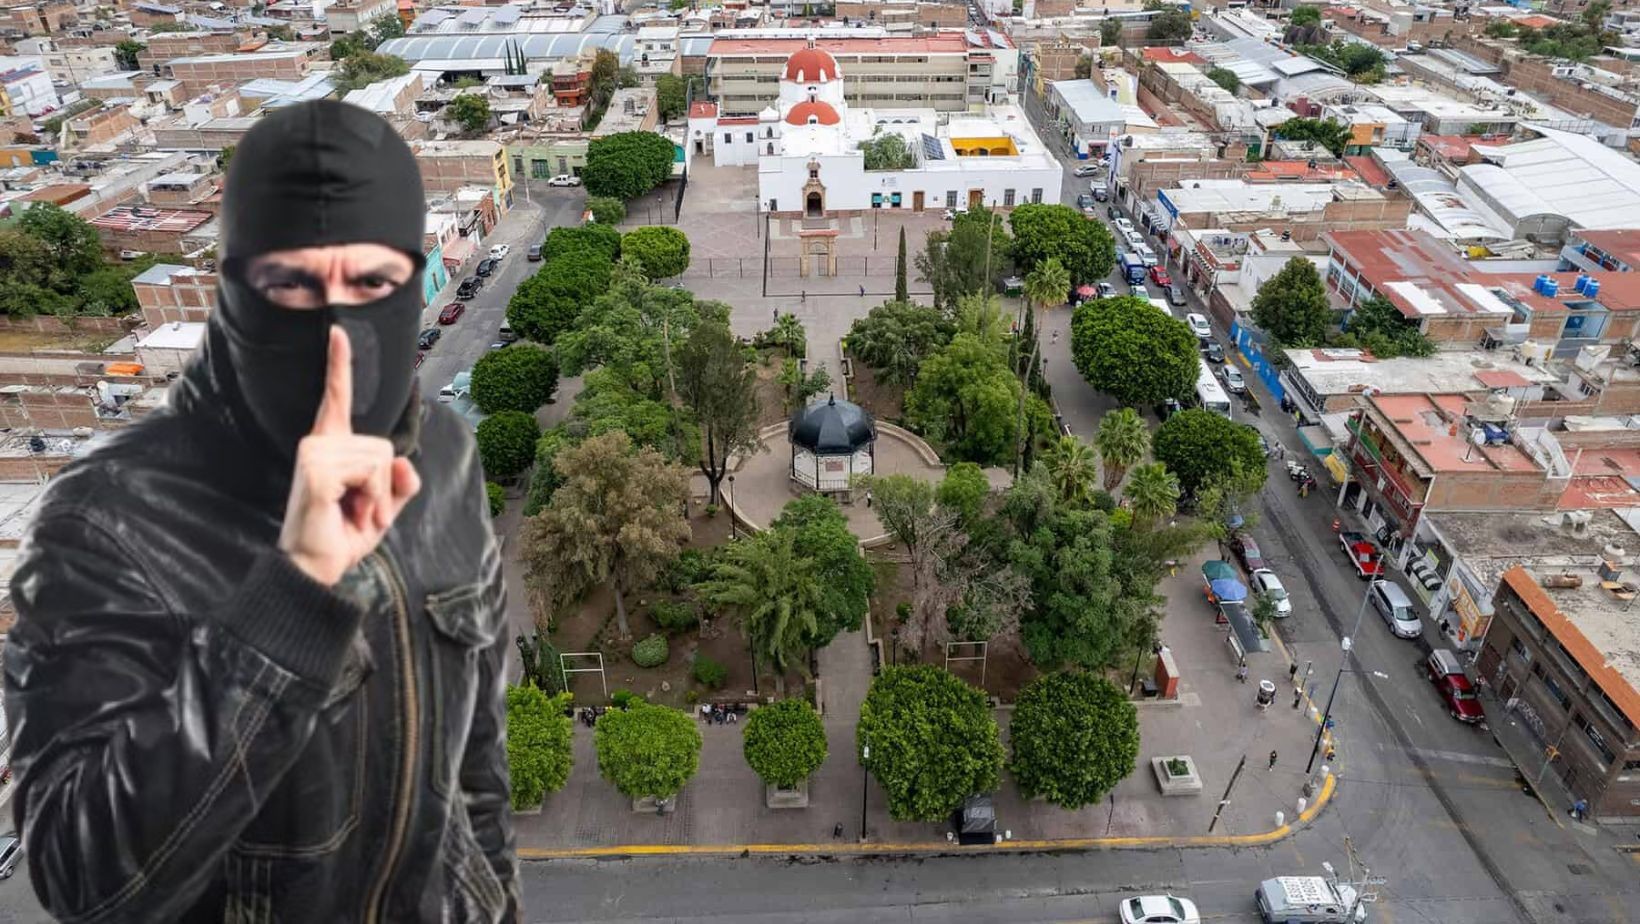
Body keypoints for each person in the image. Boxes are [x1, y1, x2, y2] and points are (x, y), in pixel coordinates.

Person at [2, 101, 518, 922]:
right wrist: (295, 592)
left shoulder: (445, 454)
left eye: (371, 283)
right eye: (291, 285)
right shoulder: (106, 522)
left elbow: (476, 759)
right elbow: (81, 878)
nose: (337, 331)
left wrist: (495, 902)